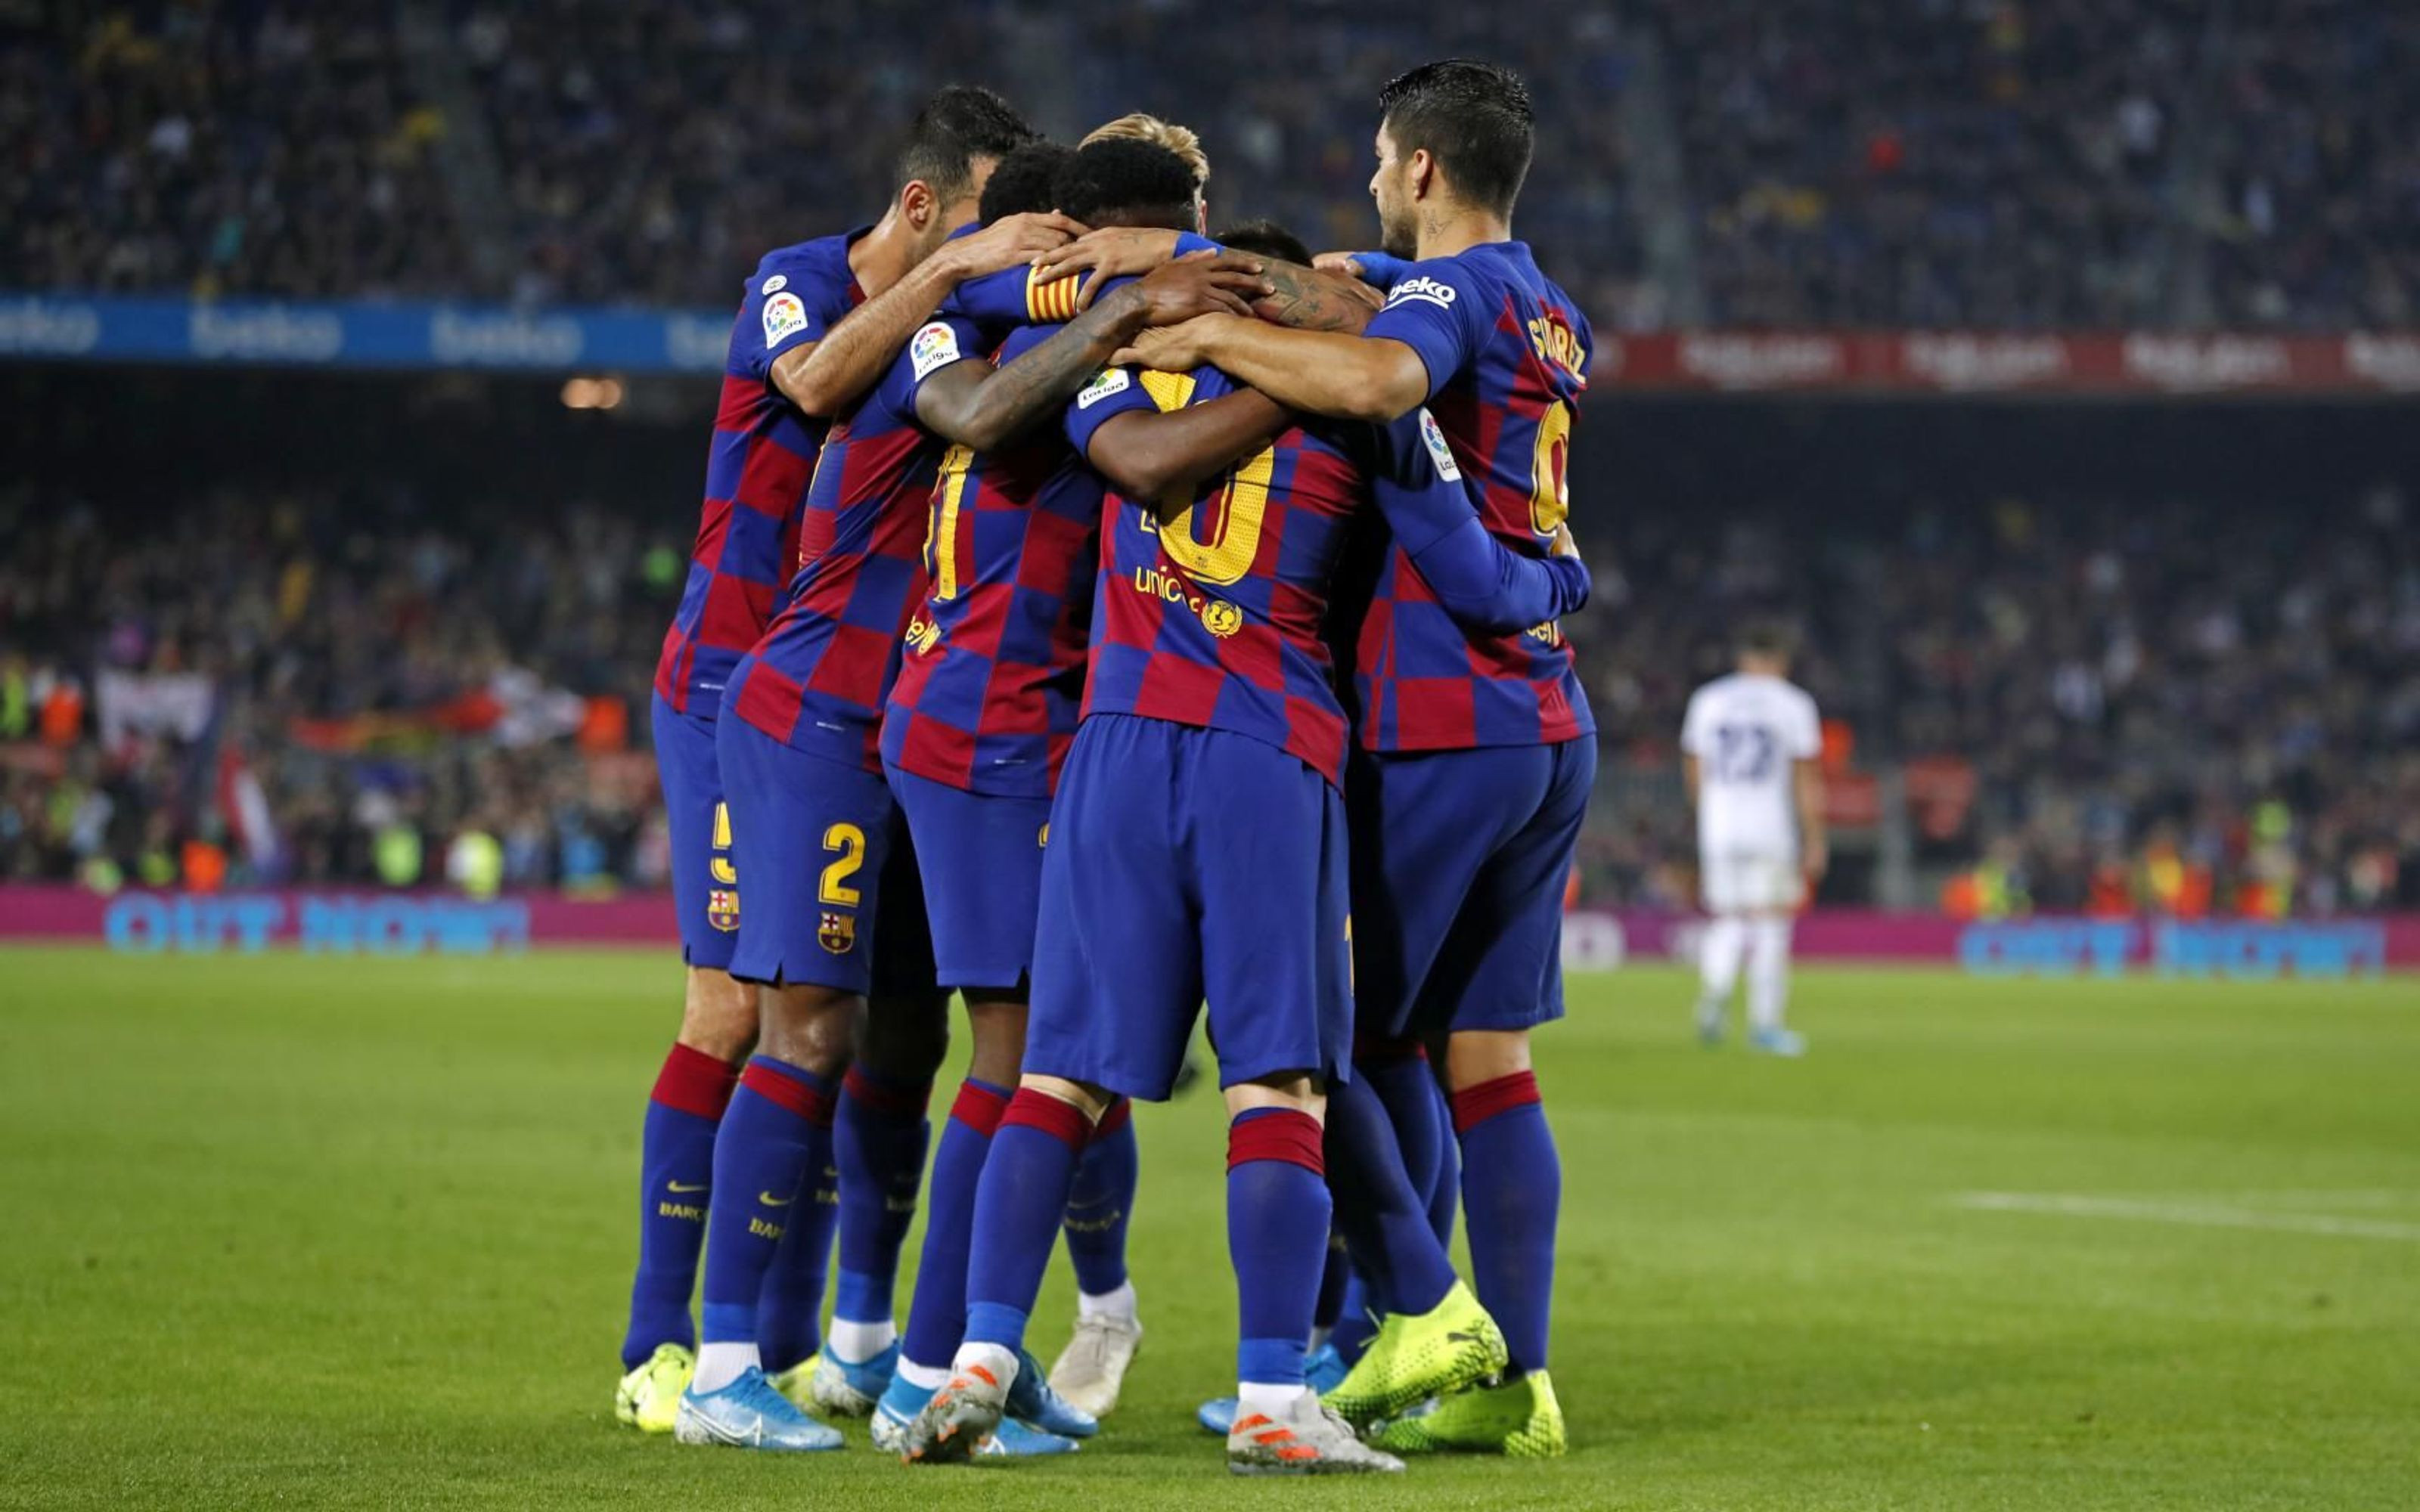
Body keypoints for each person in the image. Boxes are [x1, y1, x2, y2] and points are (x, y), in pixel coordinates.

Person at [897, 196, 1589, 1473]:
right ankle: (1276, 1392)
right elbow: (1467, 564)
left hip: (1114, 742)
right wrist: (1560, 577)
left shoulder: (1114, 380)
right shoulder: (1358, 412)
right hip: (1271, 747)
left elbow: (1139, 467)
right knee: (1281, 1078)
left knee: (1059, 1071)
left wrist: (1171, 327)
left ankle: (982, 1359)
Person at [678, 128, 1264, 1456]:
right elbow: (971, 404)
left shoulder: (974, 312)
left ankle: (905, 1349)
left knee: (931, 1051)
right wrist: (1108, 284)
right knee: (841, 1041)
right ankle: (782, 1363)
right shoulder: (969, 311)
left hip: (919, 717)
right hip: (861, 714)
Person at [1108, 59, 1593, 1456]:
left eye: (1385, 162)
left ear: (1425, 167)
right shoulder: (1550, 308)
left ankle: (1417, 1323)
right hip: (1548, 723)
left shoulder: (1439, 306)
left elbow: (1386, 368)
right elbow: (1390, 294)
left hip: (1438, 716)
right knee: (1485, 1056)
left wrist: (1203, 341)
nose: (1375, 181)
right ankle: (1521, 1380)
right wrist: (1318, 274)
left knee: (1351, 1038)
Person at [619, 85, 1076, 1439]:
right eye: (988, 224)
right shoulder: (800, 284)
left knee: (892, 1027)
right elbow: (811, 383)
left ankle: (839, 1342)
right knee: (741, 1013)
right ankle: (673, 1350)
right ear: (930, 206)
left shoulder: (957, 320)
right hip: (737, 686)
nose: (1004, 252)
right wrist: (955, 270)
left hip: (877, 705)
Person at [859, 133, 1269, 1448]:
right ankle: (935, 1366)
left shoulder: (962, 306)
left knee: (1049, 1049)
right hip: (999, 724)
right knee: (1023, 1059)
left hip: (955, 711)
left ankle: (1011, 1334)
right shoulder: (1073, 309)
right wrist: (1146, 286)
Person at [1682, 621, 1826, 1055]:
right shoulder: (1794, 704)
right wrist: (1815, 837)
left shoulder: (1708, 699)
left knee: (1728, 917)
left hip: (1720, 827)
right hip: (1770, 827)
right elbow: (1805, 779)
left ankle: (1713, 997)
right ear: (1780, 661)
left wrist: (1708, 816)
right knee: (1769, 922)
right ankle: (1766, 1025)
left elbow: (1694, 769)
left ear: (1743, 659)